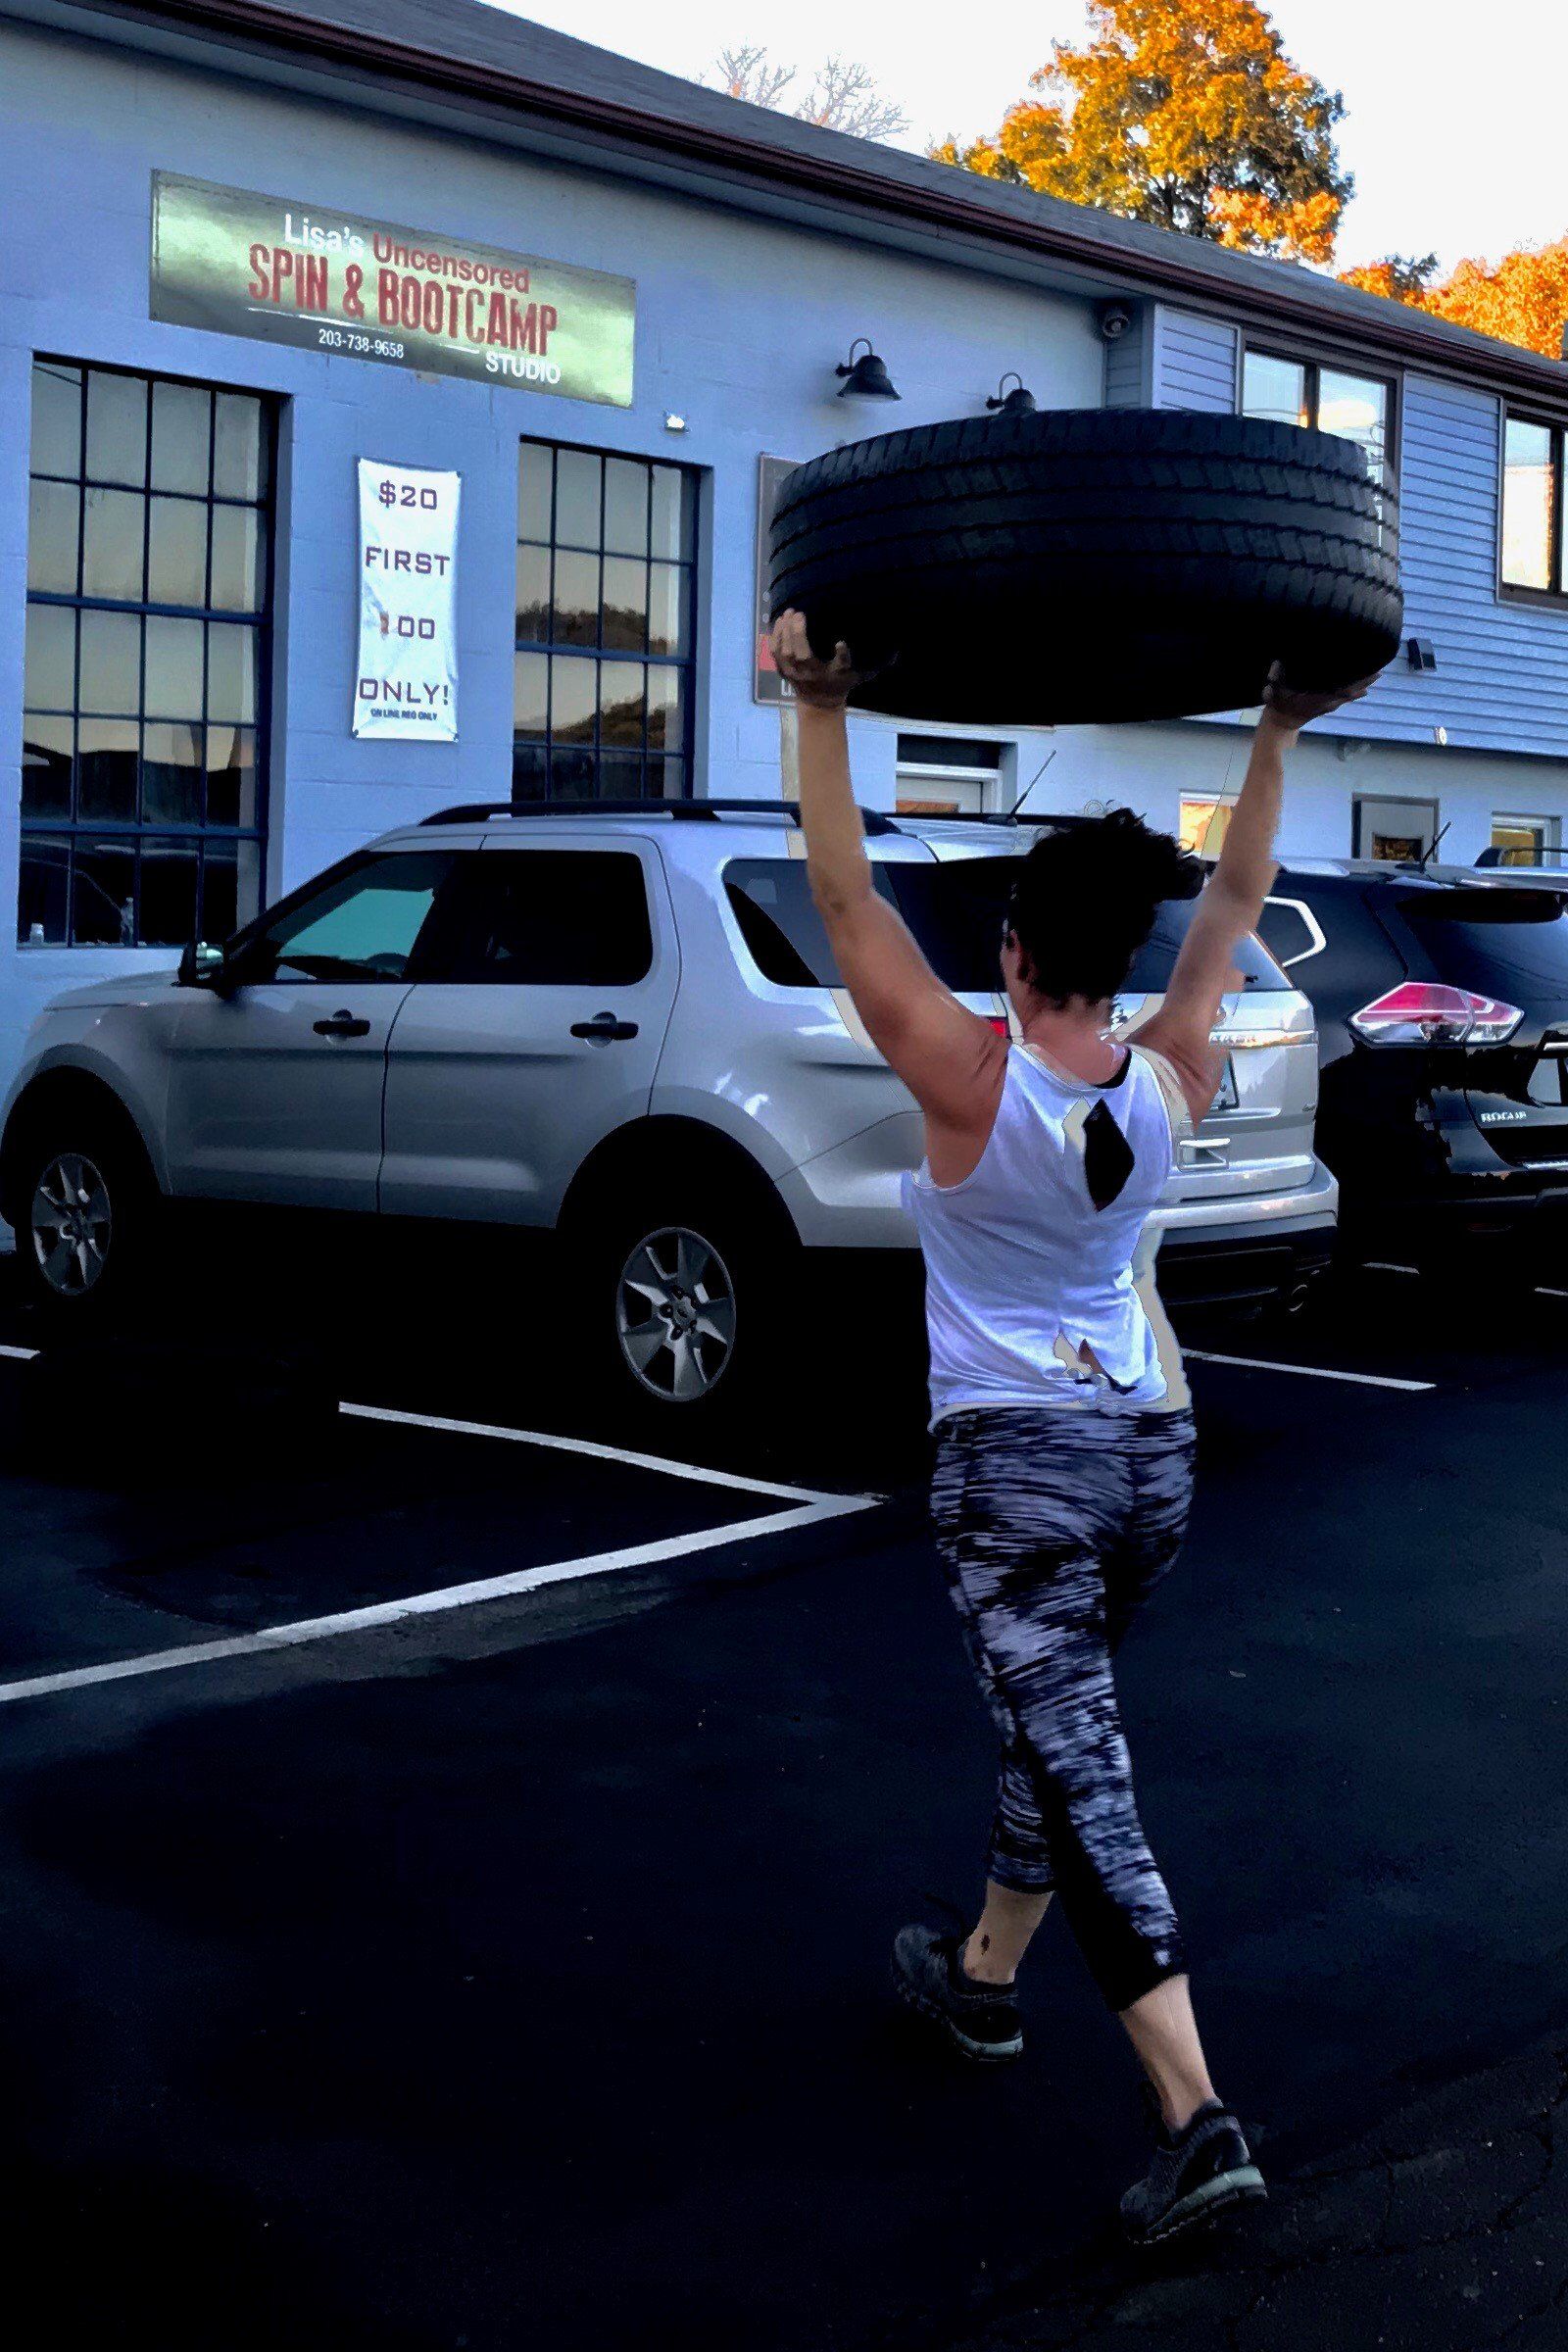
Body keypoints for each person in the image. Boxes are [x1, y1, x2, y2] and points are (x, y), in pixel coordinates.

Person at [768, 607, 1372, 2248]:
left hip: (1015, 1476)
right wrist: (1272, 735)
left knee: (1084, 1770)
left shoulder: (973, 1080)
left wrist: (819, 704)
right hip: (1148, 1472)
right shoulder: (1169, 1075)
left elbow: (842, 899)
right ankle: (980, 1979)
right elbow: (1236, 899)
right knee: (1059, 1726)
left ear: (1020, 950)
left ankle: (1196, 2118)